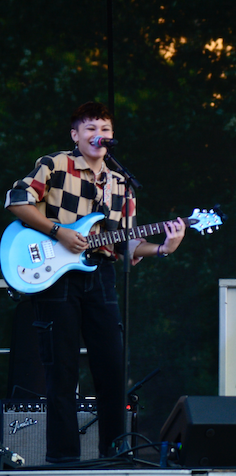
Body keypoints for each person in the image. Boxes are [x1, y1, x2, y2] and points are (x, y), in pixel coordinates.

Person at [4, 101, 186, 463]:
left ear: (112, 136)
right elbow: (16, 201)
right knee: (61, 369)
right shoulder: (55, 165)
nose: (97, 135)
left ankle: (115, 455)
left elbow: (128, 241)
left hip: (99, 275)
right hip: (56, 278)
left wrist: (165, 246)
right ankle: (63, 459)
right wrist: (58, 232)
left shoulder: (121, 183)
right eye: (89, 128)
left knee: (112, 368)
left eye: (103, 129)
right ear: (75, 135)